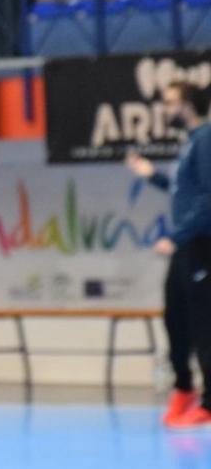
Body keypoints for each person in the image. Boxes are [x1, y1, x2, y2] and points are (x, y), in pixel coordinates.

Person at [124, 81, 211, 430]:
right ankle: (183, 387)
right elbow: (184, 192)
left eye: (172, 102)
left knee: (203, 324)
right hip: (186, 245)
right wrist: (153, 177)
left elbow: (207, 199)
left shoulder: (205, 140)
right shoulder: (189, 143)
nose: (166, 108)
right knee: (175, 318)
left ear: (188, 105)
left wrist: (178, 236)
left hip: (200, 245)